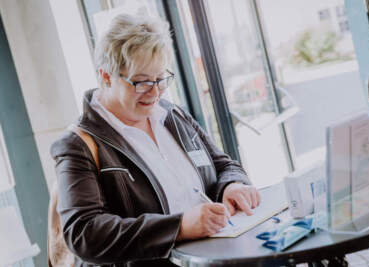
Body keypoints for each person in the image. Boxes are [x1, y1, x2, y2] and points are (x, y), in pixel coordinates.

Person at [50, 13, 260, 267]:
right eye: (141, 82)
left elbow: (224, 165)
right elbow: (84, 234)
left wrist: (231, 186)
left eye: (161, 79)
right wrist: (179, 226)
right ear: (106, 76)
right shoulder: (78, 145)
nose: (155, 92)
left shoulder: (172, 115)